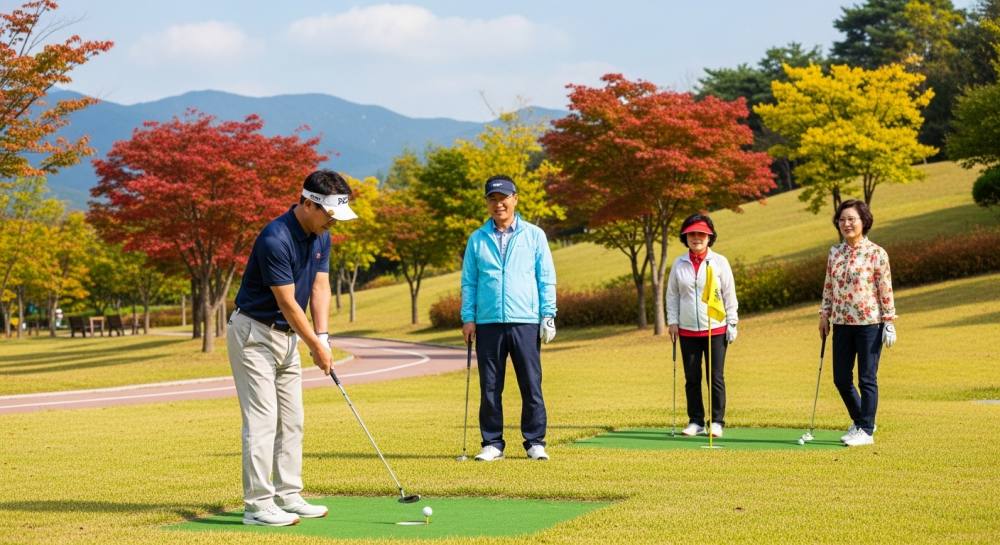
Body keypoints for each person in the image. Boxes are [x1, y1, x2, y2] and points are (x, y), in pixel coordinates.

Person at [227, 169, 358, 526]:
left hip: (286, 338)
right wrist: (314, 345)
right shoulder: (275, 238)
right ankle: (257, 505)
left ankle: (288, 494)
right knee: (262, 419)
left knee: (293, 419)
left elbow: (320, 287)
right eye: (329, 214)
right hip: (254, 334)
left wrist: (324, 336)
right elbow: (287, 303)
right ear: (308, 203)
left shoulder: (320, 236)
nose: (332, 222)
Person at [461, 175, 557, 462]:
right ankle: (492, 443)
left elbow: (546, 277)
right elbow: (469, 282)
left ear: (515, 199)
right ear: (487, 203)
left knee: (530, 383)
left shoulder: (534, 235)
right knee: (490, 385)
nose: (498, 203)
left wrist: (548, 314)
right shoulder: (477, 239)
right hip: (488, 322)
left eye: (503, 198)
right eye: (493, 198)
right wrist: (468, 318)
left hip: (525, 319)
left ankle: (534, 442)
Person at [819, 199, 896, 447]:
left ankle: (866, 430)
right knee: (841, 378)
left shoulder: (876, 253)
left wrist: (889, 321)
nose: (847, 224)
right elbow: (829, 287)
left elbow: (885, 289)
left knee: (867, 378)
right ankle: (860, 420)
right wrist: (824, 314)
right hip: (841, 323)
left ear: (864, 221)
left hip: (869, 324)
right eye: (842, 220)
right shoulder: (835, 252)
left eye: (852, 219)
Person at [666, 214, 738, 438]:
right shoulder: (679, 264)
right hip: (687, 330)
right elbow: (672, 295)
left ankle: (717, 421)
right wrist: (673, 322)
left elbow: (728, 293)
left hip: (715, 328)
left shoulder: (719, 262)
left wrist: (732, 322)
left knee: (715, 376)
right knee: (692, 377)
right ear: (685, 237)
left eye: (701, 234)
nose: (696, 238)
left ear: (709, 237)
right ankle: (696, 421)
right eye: (692, 234)